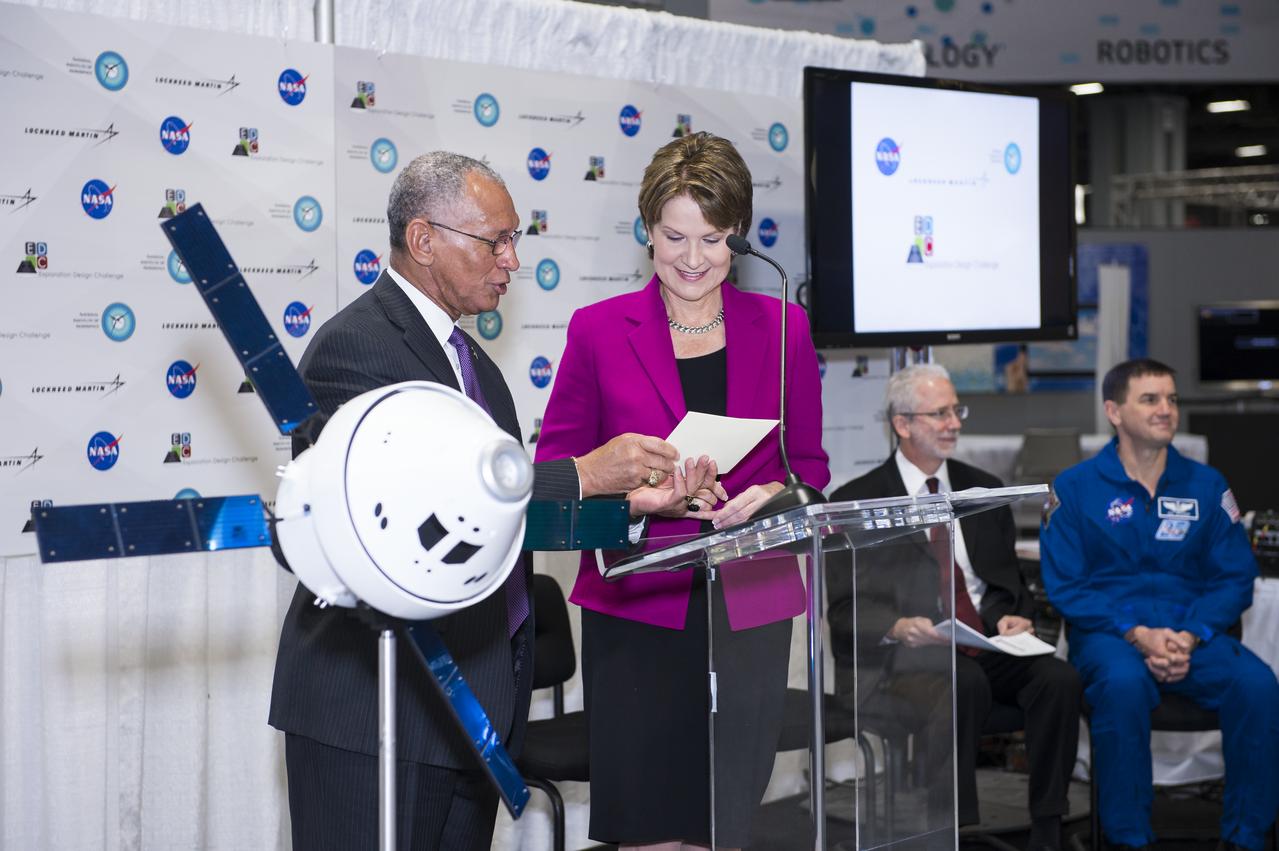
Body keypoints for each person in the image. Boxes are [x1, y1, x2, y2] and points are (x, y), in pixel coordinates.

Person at [267, 151, 680, 851]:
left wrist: (632, 505)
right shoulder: (355, 349)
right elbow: (402, 513)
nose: (511, 260)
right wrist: (581, 470)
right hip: (378, 711)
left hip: (472, 707)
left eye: (515, 239)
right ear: (424, 239)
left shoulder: (476, 364)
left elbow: (496, 524)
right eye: (497, 239)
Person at [534, 132, 830, 850]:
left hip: (750, 602)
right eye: (675, 236)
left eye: (714, 238)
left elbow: (811, 471)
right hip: (636, 603)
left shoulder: (784, 327)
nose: (693, 258)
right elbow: (551, 487)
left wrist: (775, 497)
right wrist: (639, 498)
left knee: (722, 821)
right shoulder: (598, 331)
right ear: (646, 229)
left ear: (737, 236)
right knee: (648, 824)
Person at [827, 363, 1081, 850]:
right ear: (902, 424)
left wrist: (1013, 613)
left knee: (1059, 680)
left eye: (956, 410)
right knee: (964, 681)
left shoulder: (982, 488)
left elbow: (1006, 584)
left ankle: (1048, 827)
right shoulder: (857, 501)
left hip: (983, 642)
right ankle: (951, 829)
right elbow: (843, 608)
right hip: (900, 659)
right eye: (939, 413)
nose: (955, 423)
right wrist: (898, 625)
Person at [1040, 358, 1279, 851]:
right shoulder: (1074, 489)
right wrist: (1137, 633)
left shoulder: (1207, 486)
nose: (1166, 409)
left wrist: (1189, 634)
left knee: (1258, 686)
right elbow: (1066, 585)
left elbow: (1235, 576)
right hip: (1110, 638)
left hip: (1194, 636)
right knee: (1124, 686)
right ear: (1114, 410)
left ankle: (1246, 838)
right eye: (1150, 399)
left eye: (1172, 399)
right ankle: (1129, 840)